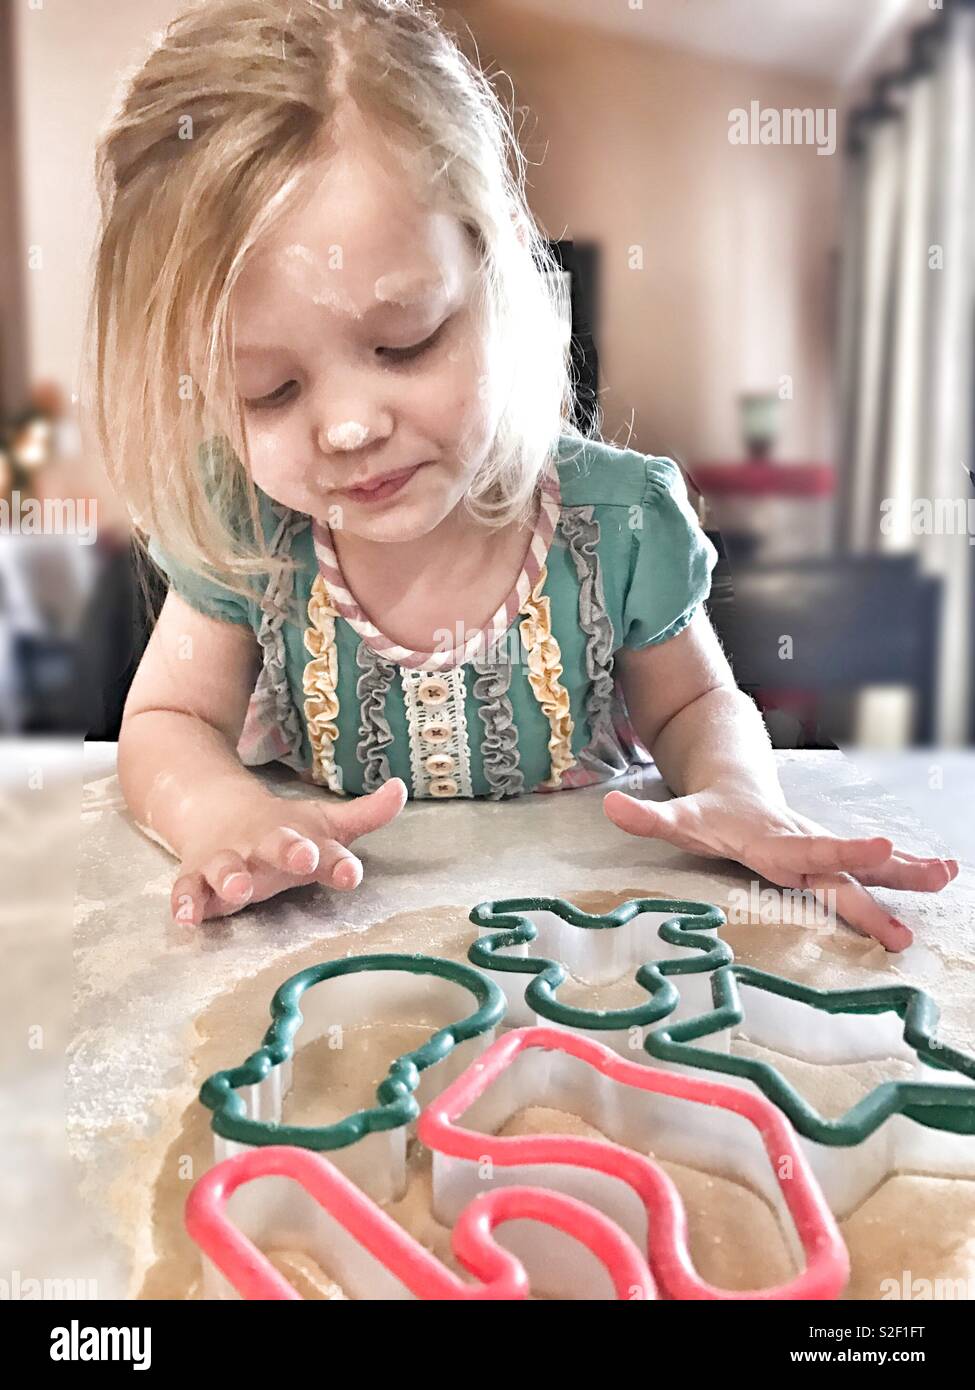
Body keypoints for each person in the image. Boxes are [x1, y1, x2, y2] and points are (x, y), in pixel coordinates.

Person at [82, 0, 955, 941]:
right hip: (334, 942)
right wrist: (223, 816)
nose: (346, 427)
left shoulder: (615, 522)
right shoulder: (248, 526)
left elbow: (697, 702)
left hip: (592, 939)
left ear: (496, 278)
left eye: (405, 343)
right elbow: (169, 720)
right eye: (269, 390)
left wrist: (737, 791)